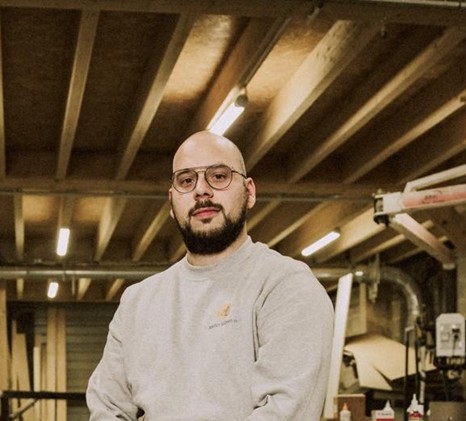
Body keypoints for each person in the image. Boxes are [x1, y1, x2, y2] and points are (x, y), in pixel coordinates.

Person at [86, 130, 334, 420]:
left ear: (250, 192)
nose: (201, 191)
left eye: (218, 176)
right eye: (186, 180)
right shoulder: (137, 302)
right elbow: (107, 408)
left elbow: (285, 412)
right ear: (171, 202)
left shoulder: (286, 286)